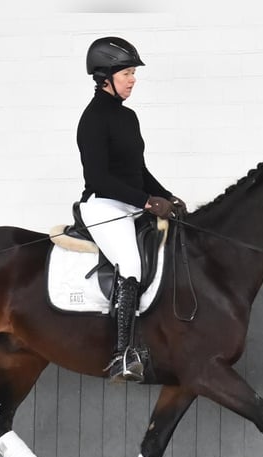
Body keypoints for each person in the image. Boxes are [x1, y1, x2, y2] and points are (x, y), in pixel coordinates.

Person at [77, 36, 186, 384]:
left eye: (133, 73)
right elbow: (99, 177)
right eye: (127, 73)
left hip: (131, 204)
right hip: (104, 206)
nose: (132, 79)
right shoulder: (93, 119)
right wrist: (146, 201)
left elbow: (138, 171)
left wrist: (166, 195)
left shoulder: (129, 118)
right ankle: (122, 354)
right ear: (105, 77)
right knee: (131, 264)